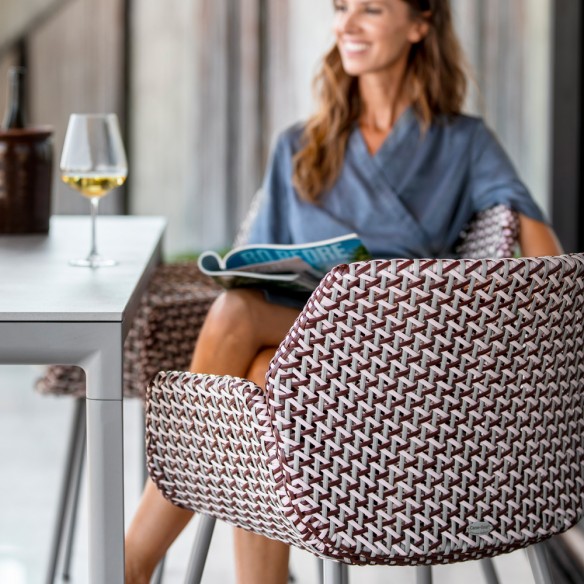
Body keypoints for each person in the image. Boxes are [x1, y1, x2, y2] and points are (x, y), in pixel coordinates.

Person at [125, 0, 562, 582]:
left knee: (239, 324)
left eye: (371, 10)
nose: (346, 25)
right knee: (259, 367)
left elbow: (547, 264)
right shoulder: (300, 144)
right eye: (340, 8)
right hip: (302, 353)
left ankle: (132, 558)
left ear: (420, 24)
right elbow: (255, 266)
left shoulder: (464, 143)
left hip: (398, 362)